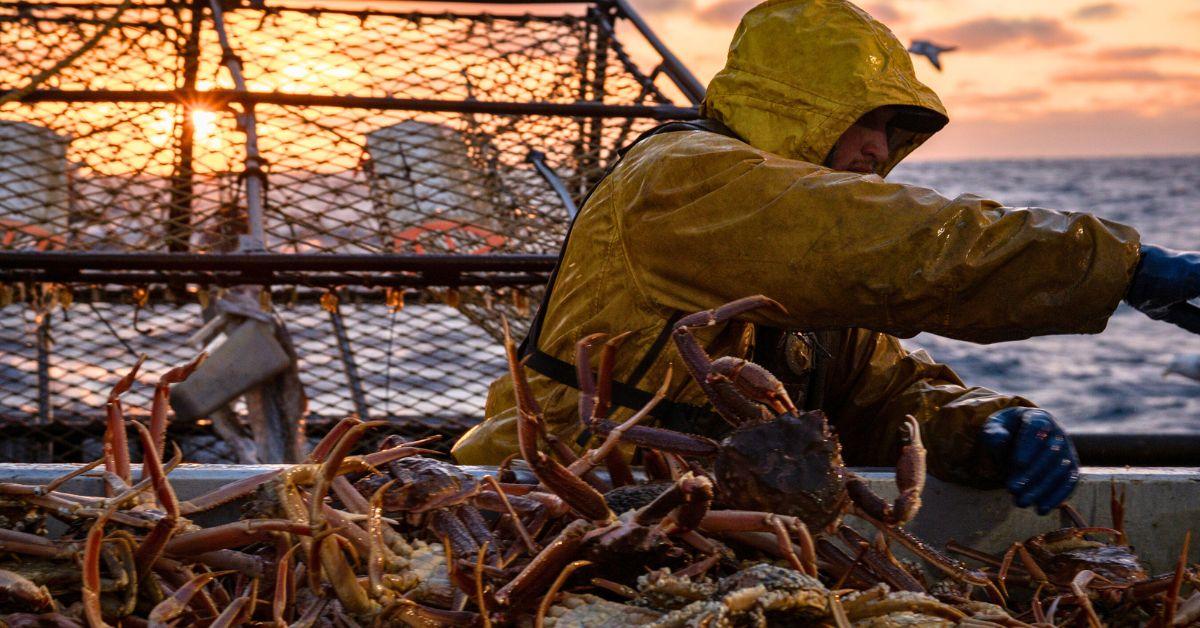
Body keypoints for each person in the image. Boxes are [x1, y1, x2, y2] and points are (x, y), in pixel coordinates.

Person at [452, 0, 1199, 515]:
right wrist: (1115, 266)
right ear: (791, 109)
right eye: (862, 122)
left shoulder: (808, 268)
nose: (880, 150)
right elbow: (888, 244)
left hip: (720, 520)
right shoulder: (679, 180)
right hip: (548, 500)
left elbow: (880, 391)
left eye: (892, 131)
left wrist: (986, 424)